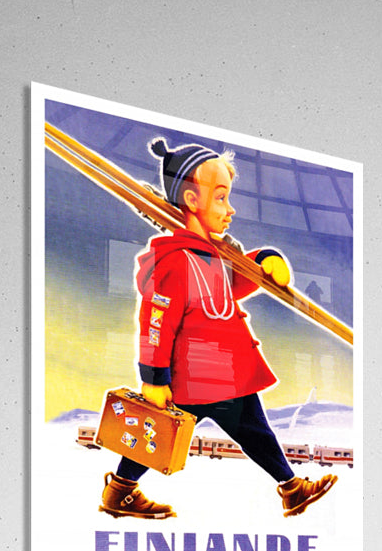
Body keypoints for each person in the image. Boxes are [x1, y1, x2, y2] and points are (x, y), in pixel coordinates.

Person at [99, 138, 337, 520]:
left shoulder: (211, 256)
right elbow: (155, 323)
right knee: (155, 433)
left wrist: (264, 263)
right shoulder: (175, 261)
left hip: (225, 374)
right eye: (221, 198)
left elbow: (227, 291)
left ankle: (292, 489)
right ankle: (120, 491)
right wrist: (154, 379)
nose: (231, 209)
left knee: (253, 433)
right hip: (192, 377)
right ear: (191, 201)